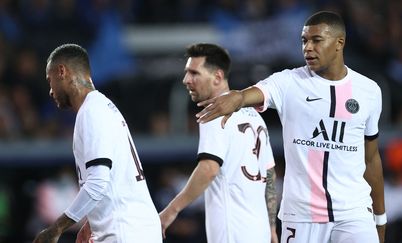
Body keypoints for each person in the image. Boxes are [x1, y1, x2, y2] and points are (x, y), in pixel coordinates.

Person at [196, 11, 386, 243]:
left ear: (339, 43)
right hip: (302, 216)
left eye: (316, 40)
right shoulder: (288, 82)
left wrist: (380, 218)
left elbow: (371, 159)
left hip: (354, 213)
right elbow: (255, 93)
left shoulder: (369, 91)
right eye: (304, 41)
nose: (307, 48)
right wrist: (236, 98)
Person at [33, 44, 162, 243]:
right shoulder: (102, 106)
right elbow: (112, 179)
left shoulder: (91, 111)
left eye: (50, 81)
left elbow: (97, 182)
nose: (50, 91)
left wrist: (56, 229)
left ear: (62, 71)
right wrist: (91, 222)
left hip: (124, 231)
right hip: (134, 228)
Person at [159, 43, 279, 243]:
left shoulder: (215, 111)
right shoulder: (255, 116)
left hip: (233, 232)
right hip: (259, 232)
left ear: (217, 77)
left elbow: (209, 169)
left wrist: (171, 211)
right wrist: (272, 227)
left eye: (194, 73)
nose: (186, 80)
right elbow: (270, 175)